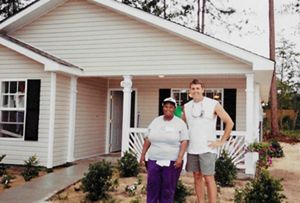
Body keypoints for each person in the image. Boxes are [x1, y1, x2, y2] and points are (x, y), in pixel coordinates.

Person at [183, 79, 234, 203]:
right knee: (196, 176)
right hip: (192, 148)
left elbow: (229, 122)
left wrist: (221, 141)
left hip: (207, 148)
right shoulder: (186, 107)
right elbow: (182, 126)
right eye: (193, 89)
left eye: (198, 88)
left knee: (209, 177)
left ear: (202, 90)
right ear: (190, 91)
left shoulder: (213, 104)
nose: (195, 91)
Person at [140, 97, 189, 203]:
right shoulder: (156, 121)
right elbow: (148, 139)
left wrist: (180, 158)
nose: (168, 109)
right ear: (163, 107)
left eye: (171, 107)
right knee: (152, 187)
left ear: (174, 109)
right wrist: (143, 154)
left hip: (172, 162)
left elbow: (184, 141)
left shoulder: (180, 123)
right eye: (166, 106)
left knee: (168, 189)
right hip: (154, 160)